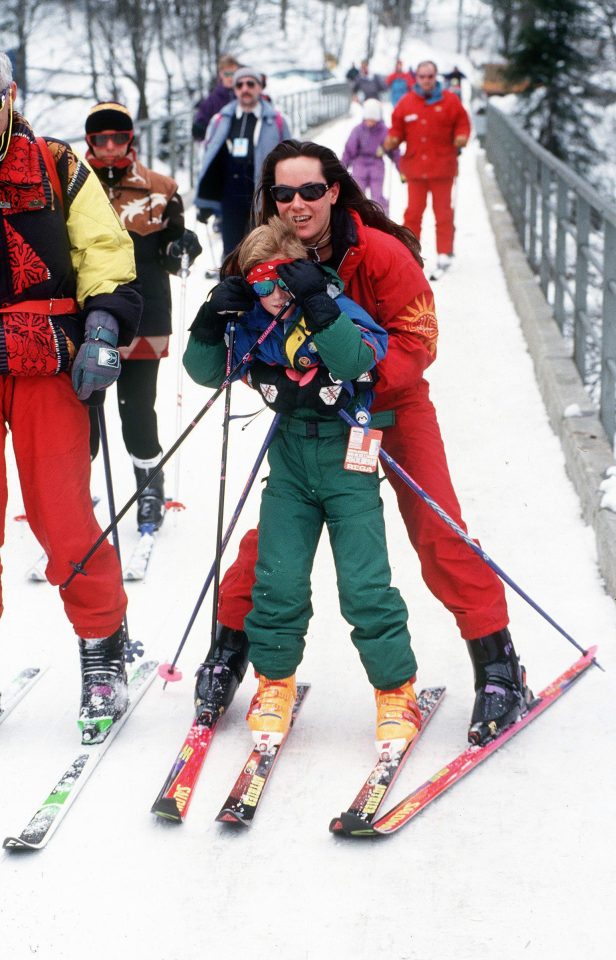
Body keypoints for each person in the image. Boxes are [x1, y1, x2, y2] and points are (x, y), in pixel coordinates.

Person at [194, 138, 529, 749]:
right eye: (283, 192)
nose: (297, 203)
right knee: (274, 539)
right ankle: (229, 647)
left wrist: (355, 378)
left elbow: (420, 338)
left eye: (310, 191)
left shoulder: (379, 253)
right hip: (315, 424)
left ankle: (498, 659)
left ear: (335, 190)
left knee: (436, 526)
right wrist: (268, 373)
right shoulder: (267, 254)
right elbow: (247, 339)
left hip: (388, 409)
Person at [185, 217, 421, 752]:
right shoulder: (252, 320)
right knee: (278, 577)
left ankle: (394, 688)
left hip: (347, 456)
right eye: (257, 284)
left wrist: (318, 304)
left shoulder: (332, 306)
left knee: (364, 582)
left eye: (277, 281)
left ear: (300, 273)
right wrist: (209, 320)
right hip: (290, 456)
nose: (268, 295)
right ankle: (274, 681)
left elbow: (357, 359)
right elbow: (205, 371)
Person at [0, 52, 143, 738]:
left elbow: (105, 250)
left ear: (11, 95)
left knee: (59, 513)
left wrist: (105, 326)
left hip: (47, 356)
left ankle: (102, 645)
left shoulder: (56, 164)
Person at [84, 101, 201, 532]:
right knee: (84, 411)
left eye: (119, 138)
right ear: (89, 141)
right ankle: (76, 490)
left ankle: (149, 485)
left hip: (143, 314)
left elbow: (173, 254)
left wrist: (181, 247)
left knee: (137, 411)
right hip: (86, 317)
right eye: (101, 139)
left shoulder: (160, 188)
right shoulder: (69, 185)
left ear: (131, 140)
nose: (111, 147)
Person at [194, 66, 291, 257]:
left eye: (250, 84)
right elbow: (208, 157)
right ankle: (230, 284)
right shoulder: (221, 119)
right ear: (235, 89)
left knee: (263, 248)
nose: (245, 89)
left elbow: (290, 158)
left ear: (259, 87)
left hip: (263, 192)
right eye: (240, 85)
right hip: (230, 191)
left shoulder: (276, 121)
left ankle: (260, 285)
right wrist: (205, 200)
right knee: (231, 249)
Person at [384, 60, 471, 271]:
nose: (426, 81)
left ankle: (444, 251)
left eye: (430, 76)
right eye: (422, 77)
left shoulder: (450, 101)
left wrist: (461, 137)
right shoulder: (406, 103)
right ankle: (410, 250)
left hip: (443, 167)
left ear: (436, 77)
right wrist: (392, 139)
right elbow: (397, 128)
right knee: (413, 212)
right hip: (415, 169)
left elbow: (463, 123)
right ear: (417, 78)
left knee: (443, 212)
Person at [341, 99, 399, 215]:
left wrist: (400, 167)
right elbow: (349, 150)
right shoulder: (358, 130)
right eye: (368, 119)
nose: (370, 123)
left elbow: (393, 149)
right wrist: (341, 168)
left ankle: (381, 216)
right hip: (360, 163)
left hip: (376, 164)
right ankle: (358, 216)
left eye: (373, 120)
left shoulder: (383, 131)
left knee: (377, 196)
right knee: (358, 192)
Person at [192, 54, 239, 142]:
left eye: (234, 74)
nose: (231, 78)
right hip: (220, 144)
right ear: (221, 74)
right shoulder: (212, 100)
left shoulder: (244, 96)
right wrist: (199, 128)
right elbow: (201, 121)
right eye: (227, 74)